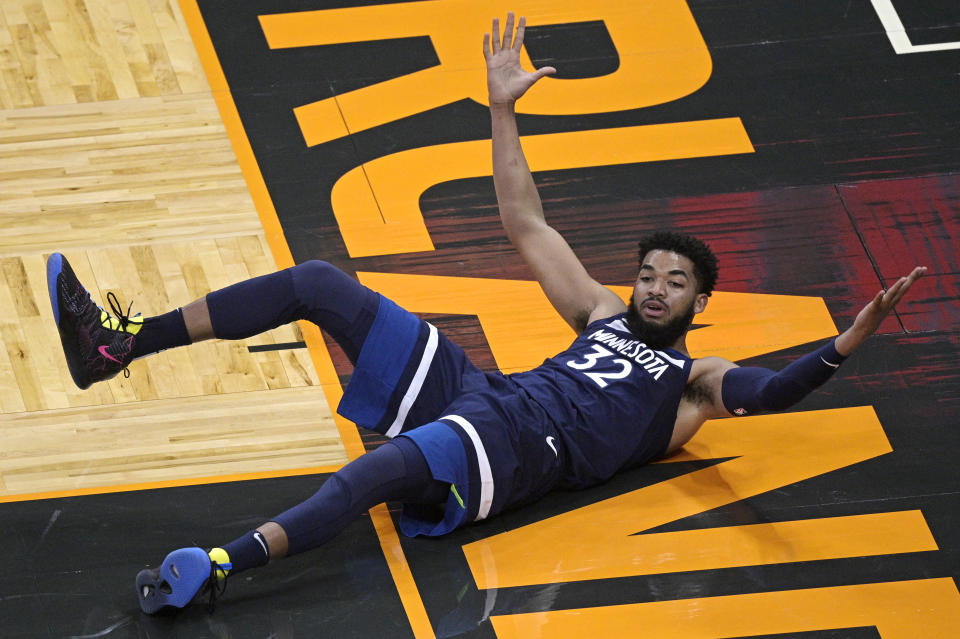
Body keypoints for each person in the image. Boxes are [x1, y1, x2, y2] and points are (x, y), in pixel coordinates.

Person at [45, 13, 925, 614]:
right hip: (481, 394)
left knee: (381, 474)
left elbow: (770, 394)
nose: (654, 287)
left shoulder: (693, 384)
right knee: (317, 279)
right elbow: (524, 219)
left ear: (701, 301)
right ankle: (116, 345)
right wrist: (502, 111)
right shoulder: (600, 315)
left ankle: (222, 565)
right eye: (648, 274)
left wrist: (847, 342)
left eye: (673, 282)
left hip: (515, 452)